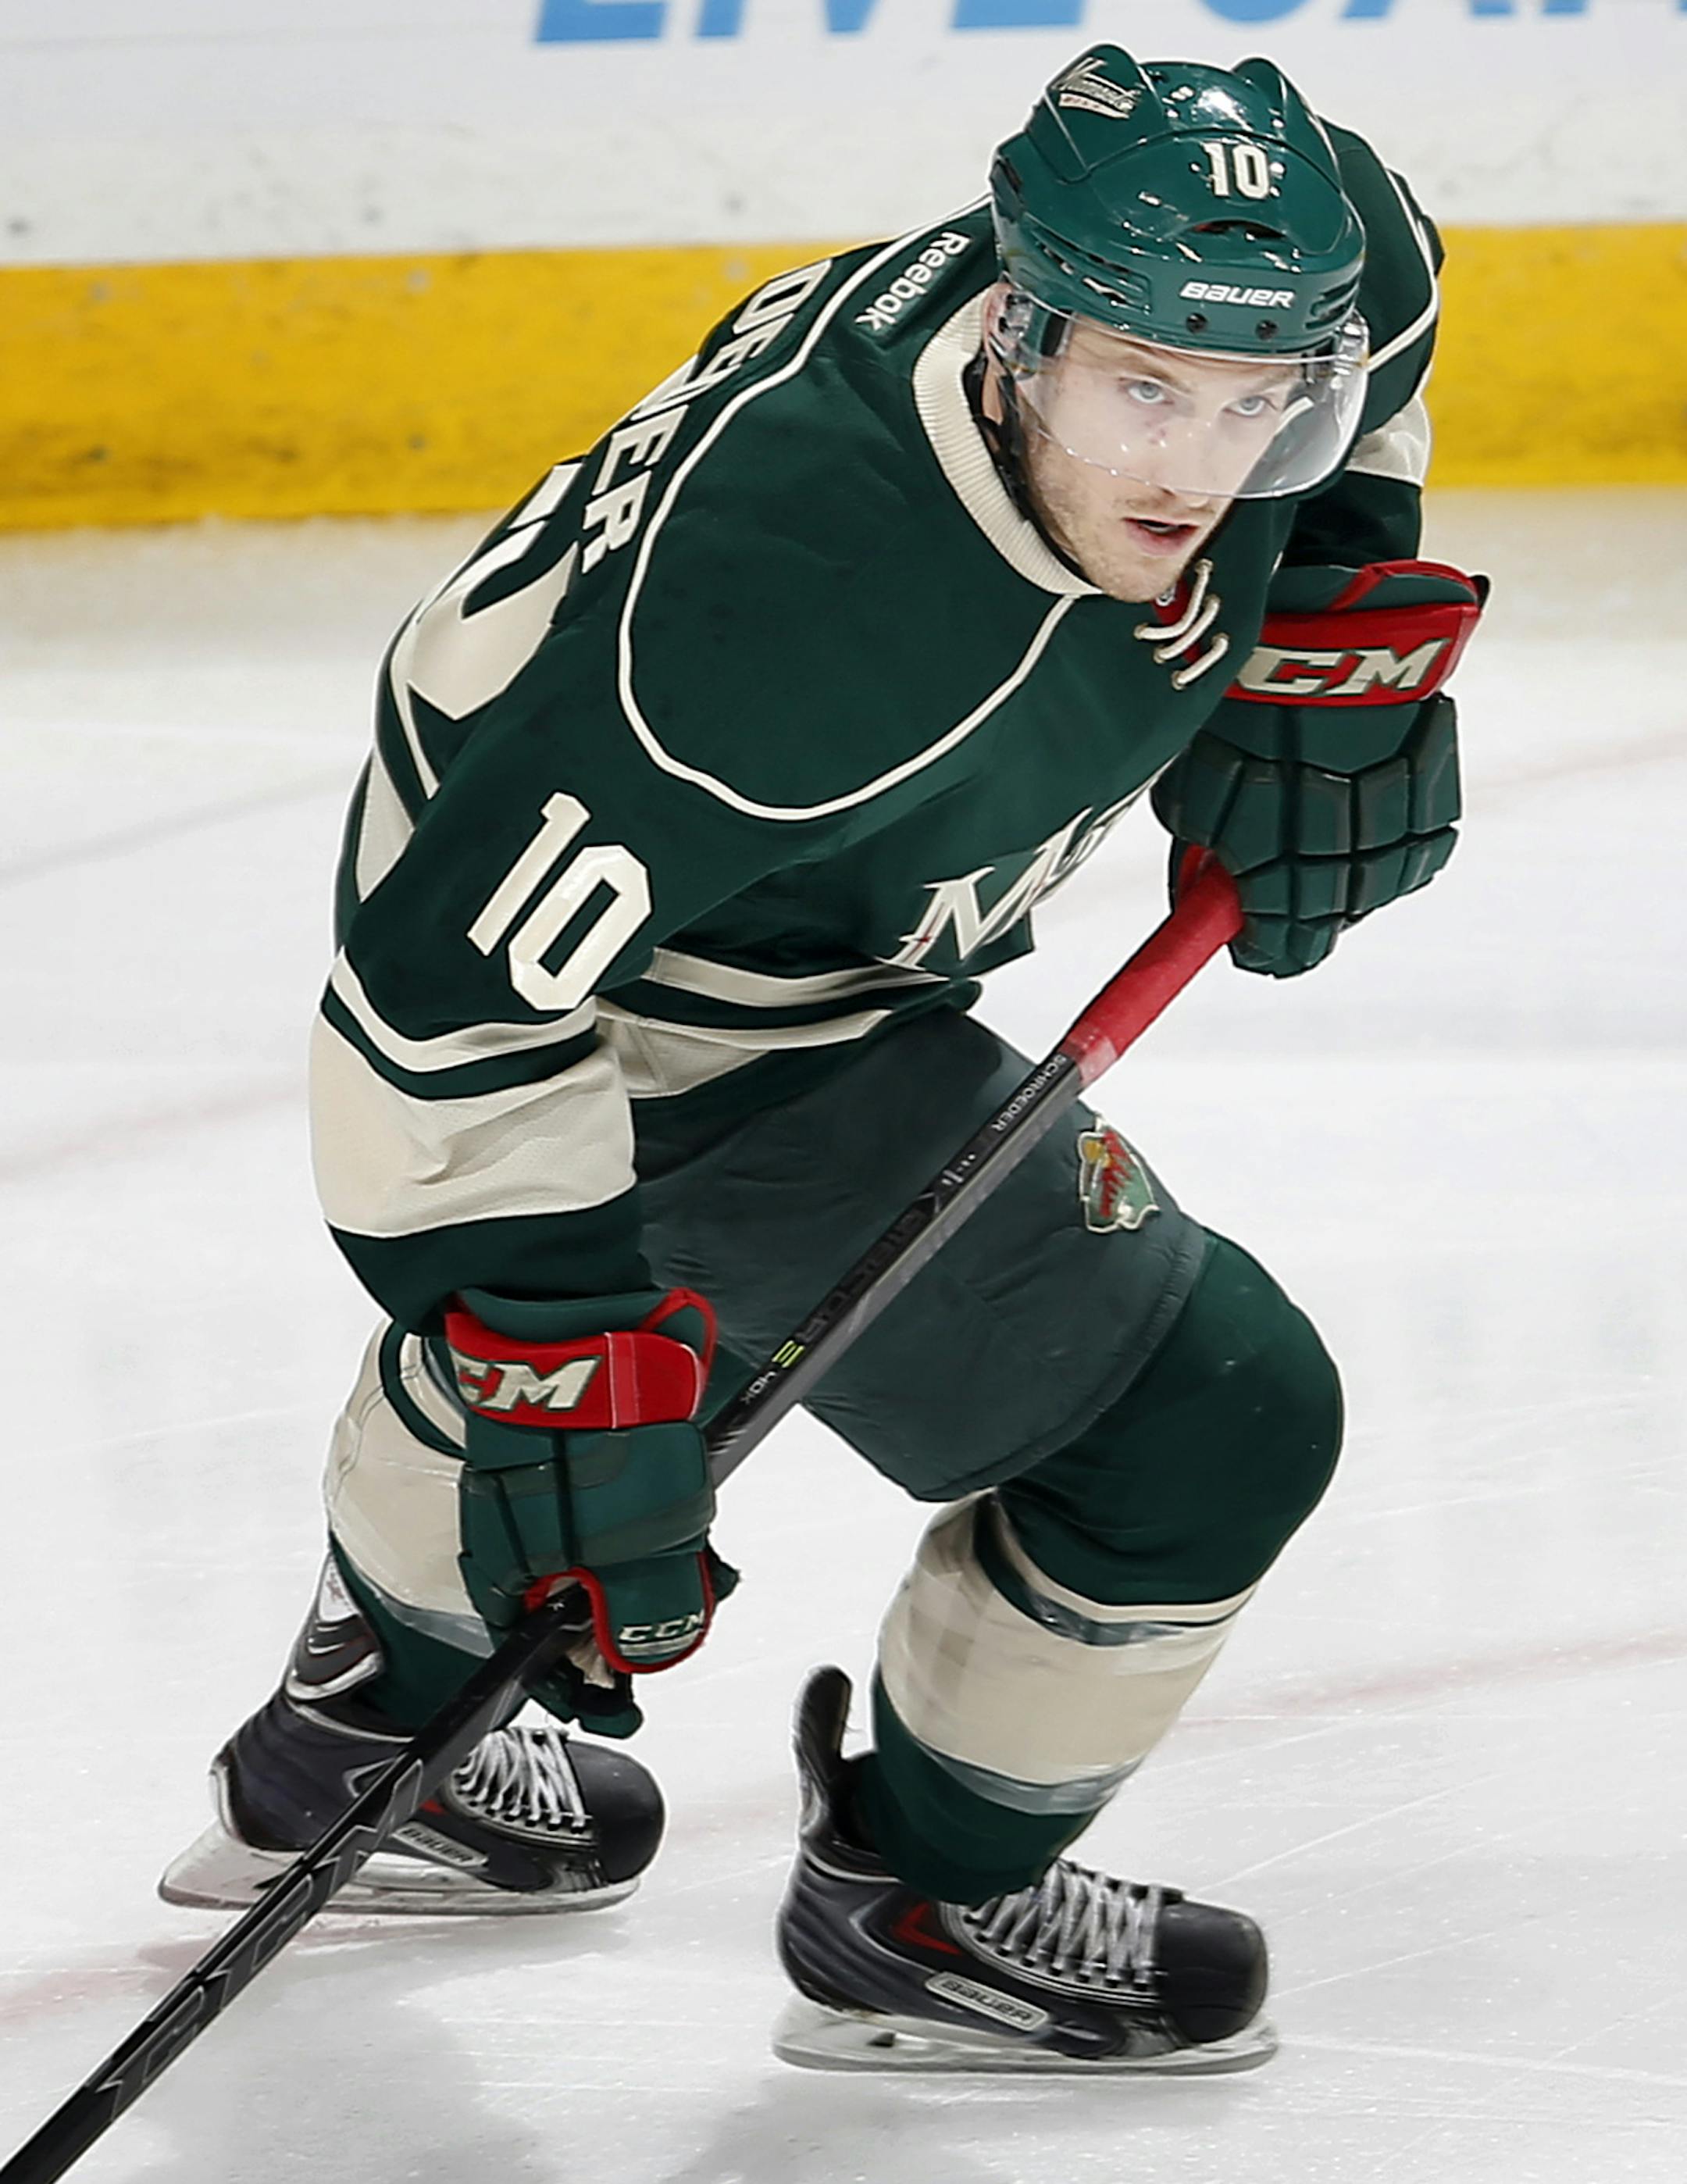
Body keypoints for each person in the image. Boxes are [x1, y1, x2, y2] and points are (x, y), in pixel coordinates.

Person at [162, 45, 1483, 2072]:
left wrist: (1341, 583)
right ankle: (924, 1905)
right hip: (649, 976)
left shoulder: (1284, 278)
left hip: (686, 860)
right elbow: (442, 1010)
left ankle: (366, 1720)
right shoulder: (783, 629)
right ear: (1020, 330)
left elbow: (1379, 329)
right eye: (1146, 388)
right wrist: (551, 1341)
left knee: (616, 1333)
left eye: (1256, 406)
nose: (1204, 471)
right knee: (1211, 1417)